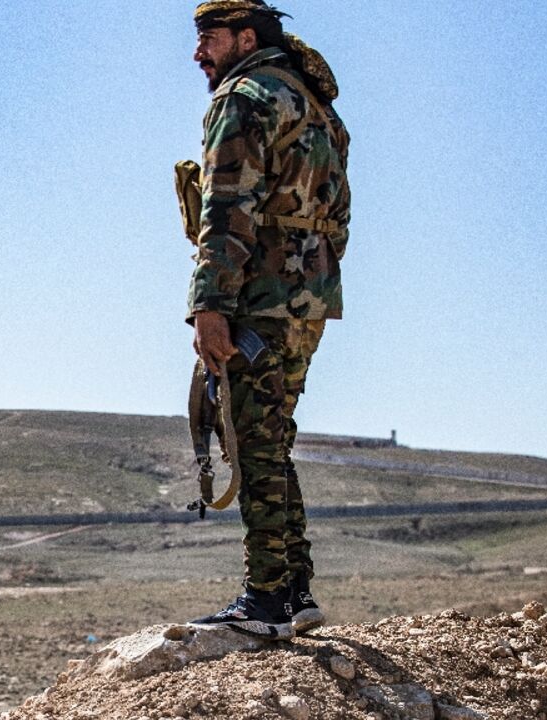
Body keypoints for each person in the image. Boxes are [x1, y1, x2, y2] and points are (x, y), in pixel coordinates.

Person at [185, 0, 350, 639]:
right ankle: (296, 591)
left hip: (257, 296)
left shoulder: (245, 97)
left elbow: (226, 210)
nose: (200, 55)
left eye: (210, 41)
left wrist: (210, 305)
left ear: (245, 37)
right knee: (271, 437)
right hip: (308, 298)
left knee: (253, 441)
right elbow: (339, 216)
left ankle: (267, 598)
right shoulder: (317, 108)